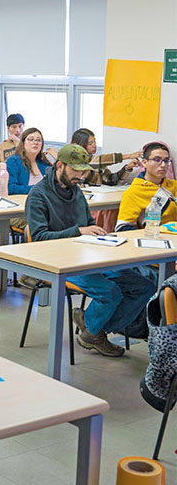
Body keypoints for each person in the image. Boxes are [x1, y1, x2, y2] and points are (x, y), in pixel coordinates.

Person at [25, 145, 156, 356]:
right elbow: (39, 238)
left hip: (88, 256)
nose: (80, 175)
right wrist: (80, 231)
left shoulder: (75, 191)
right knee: (110, 293)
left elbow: (87, 224)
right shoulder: (38, 195)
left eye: (83, 170)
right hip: (59, 262)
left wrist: (100, 236)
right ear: (60, 166)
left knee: (144, 287)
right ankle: (94, 330)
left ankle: (93, 329)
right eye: (75, 170)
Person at [117, 142, 177, 230]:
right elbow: (123, 228)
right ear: (144, 162)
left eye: (166, 160)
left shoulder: (173, 185)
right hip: (156, 238)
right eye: (157, 160)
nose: (163, 165)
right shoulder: (134, 192)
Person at [71, 128, 141, 186]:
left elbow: (111, 180)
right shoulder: (75, 161)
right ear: (81, 145)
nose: (94, 145)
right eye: (90, 143)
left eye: (94, 141)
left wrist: (127, 168)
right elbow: (97, 161)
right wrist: (129, 156)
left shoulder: (98, 165)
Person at [6, 128, 52, 195]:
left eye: (38, 140)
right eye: (31, 139)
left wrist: (57, 157)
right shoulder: (13, 161)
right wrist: (37, 188)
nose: (35, 142)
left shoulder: (43, 162)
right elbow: (10, 188)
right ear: (23, 142)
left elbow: (54, 184)